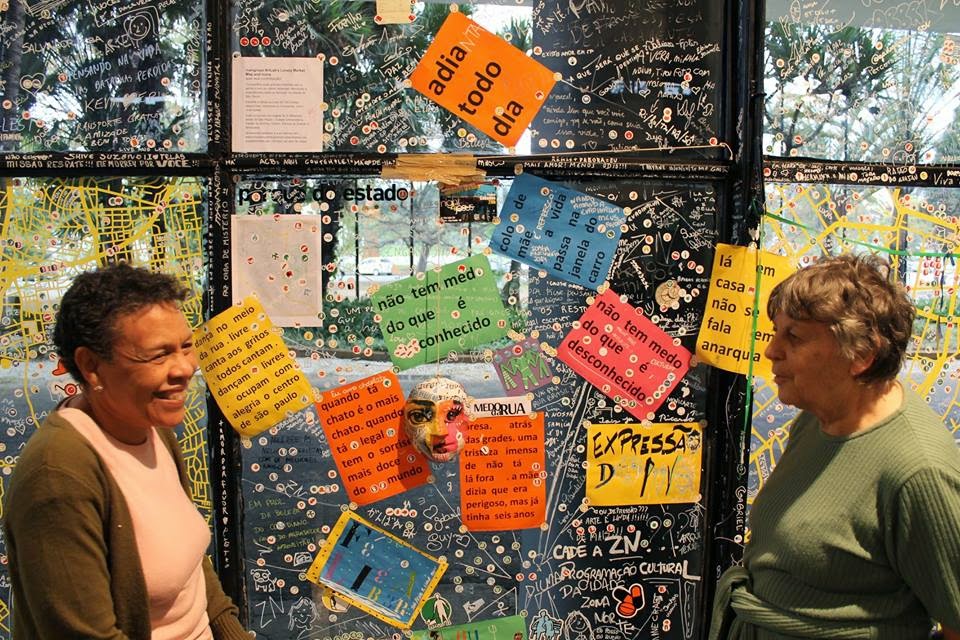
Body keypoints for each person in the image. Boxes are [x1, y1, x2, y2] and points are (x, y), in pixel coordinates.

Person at [710, 253, 960, 639]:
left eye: (794, 337)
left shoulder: (919, 471)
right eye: (776, 332)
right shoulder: (818, 418)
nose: (771, 351)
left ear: (860, 355)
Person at [4, 263, 249, 639]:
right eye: (158, 355)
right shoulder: (58, 477)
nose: (185, 369)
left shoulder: (151, 429)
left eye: (186, 346)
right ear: (91, 366)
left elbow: (190, 570)